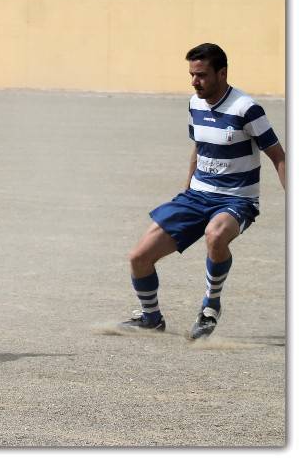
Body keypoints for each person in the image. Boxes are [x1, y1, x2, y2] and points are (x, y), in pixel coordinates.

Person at [121, 43, 285, 340]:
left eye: (201, 75)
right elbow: (197, 146)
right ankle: (151, 317)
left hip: (237, 198)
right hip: (197, 196)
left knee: (215, 234)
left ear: (222, 73)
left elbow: (279, 156)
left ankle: (210, 307)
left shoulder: (246, 108)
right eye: (191, 75)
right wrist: (186, 191)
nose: (194, 82)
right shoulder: (195, 104)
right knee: (138, 258)